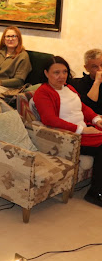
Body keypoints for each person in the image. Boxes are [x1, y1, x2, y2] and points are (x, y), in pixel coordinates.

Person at [33, 56, 102, 208]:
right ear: (46, 73)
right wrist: (82, 130)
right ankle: (95, 193)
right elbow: (50, 119)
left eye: (64, 72)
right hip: (69, 137)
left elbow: (82, 107)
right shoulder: (43, 92)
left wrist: (96, 119)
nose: (62, 76)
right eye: (56, 72)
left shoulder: (69, 87)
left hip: (84, 128)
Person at [70, 49, 102, 114]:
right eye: (94, 67)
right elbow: (89, 108)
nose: (100, 69)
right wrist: (97, 82)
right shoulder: (78, 84)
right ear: (86, 68)